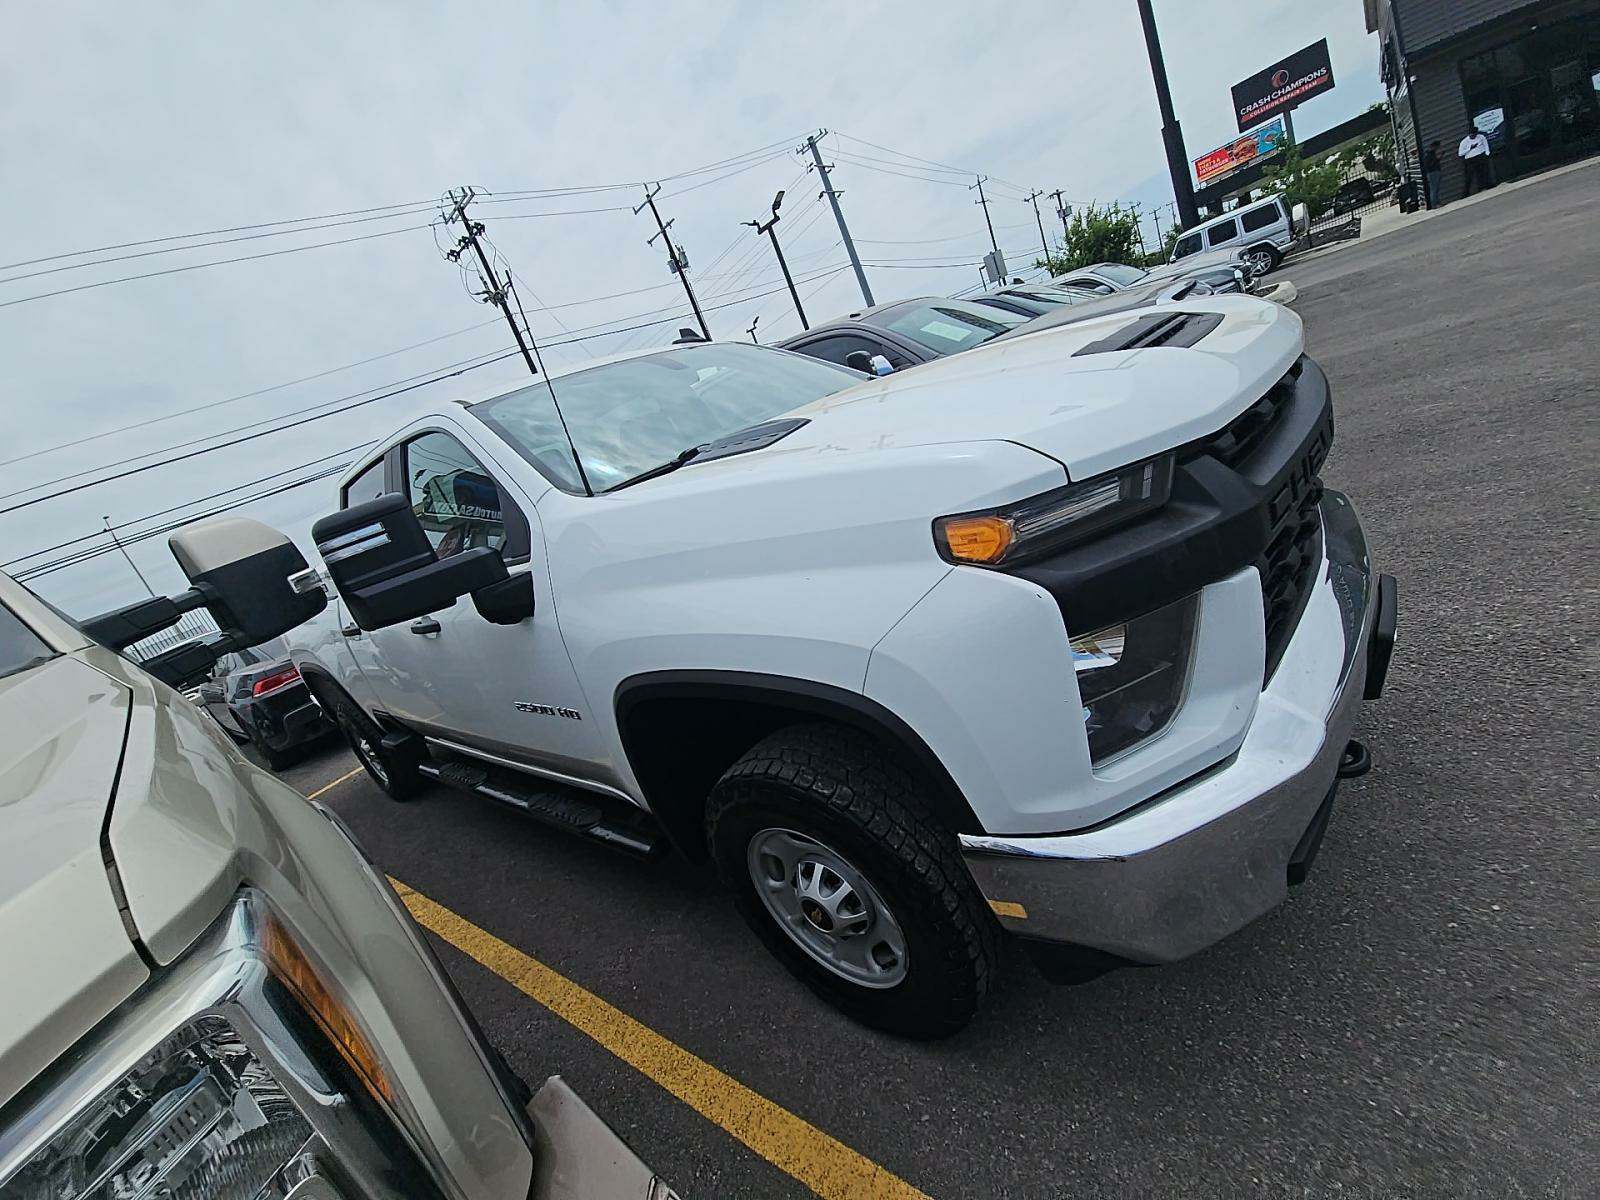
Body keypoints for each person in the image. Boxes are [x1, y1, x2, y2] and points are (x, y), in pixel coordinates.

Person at [1459, 127, 1494, 196]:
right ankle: (1466, 193)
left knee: (1483, 172)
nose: (1473, 137)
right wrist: (1470, 148)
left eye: (1475, 135)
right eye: (1472, 135)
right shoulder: (1464, 142)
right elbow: (1460, 153)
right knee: (1469, 176)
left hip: (1480, 156)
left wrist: (1487, 153)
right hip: (1470, 159)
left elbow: (1486, 145)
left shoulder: (1481, 137)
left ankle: (1485, 186)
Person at [1422, 141, 1443, 208]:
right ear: (1434, 146)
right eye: (1438, 146)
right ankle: (1434, 204)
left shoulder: (1431, 154)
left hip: (1433, 172)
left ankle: (1436, 203)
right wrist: (1437, 159)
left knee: (1435, 189)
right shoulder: (1429, 155)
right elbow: (1430, 165)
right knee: (1434, 189)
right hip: (1433, 173)